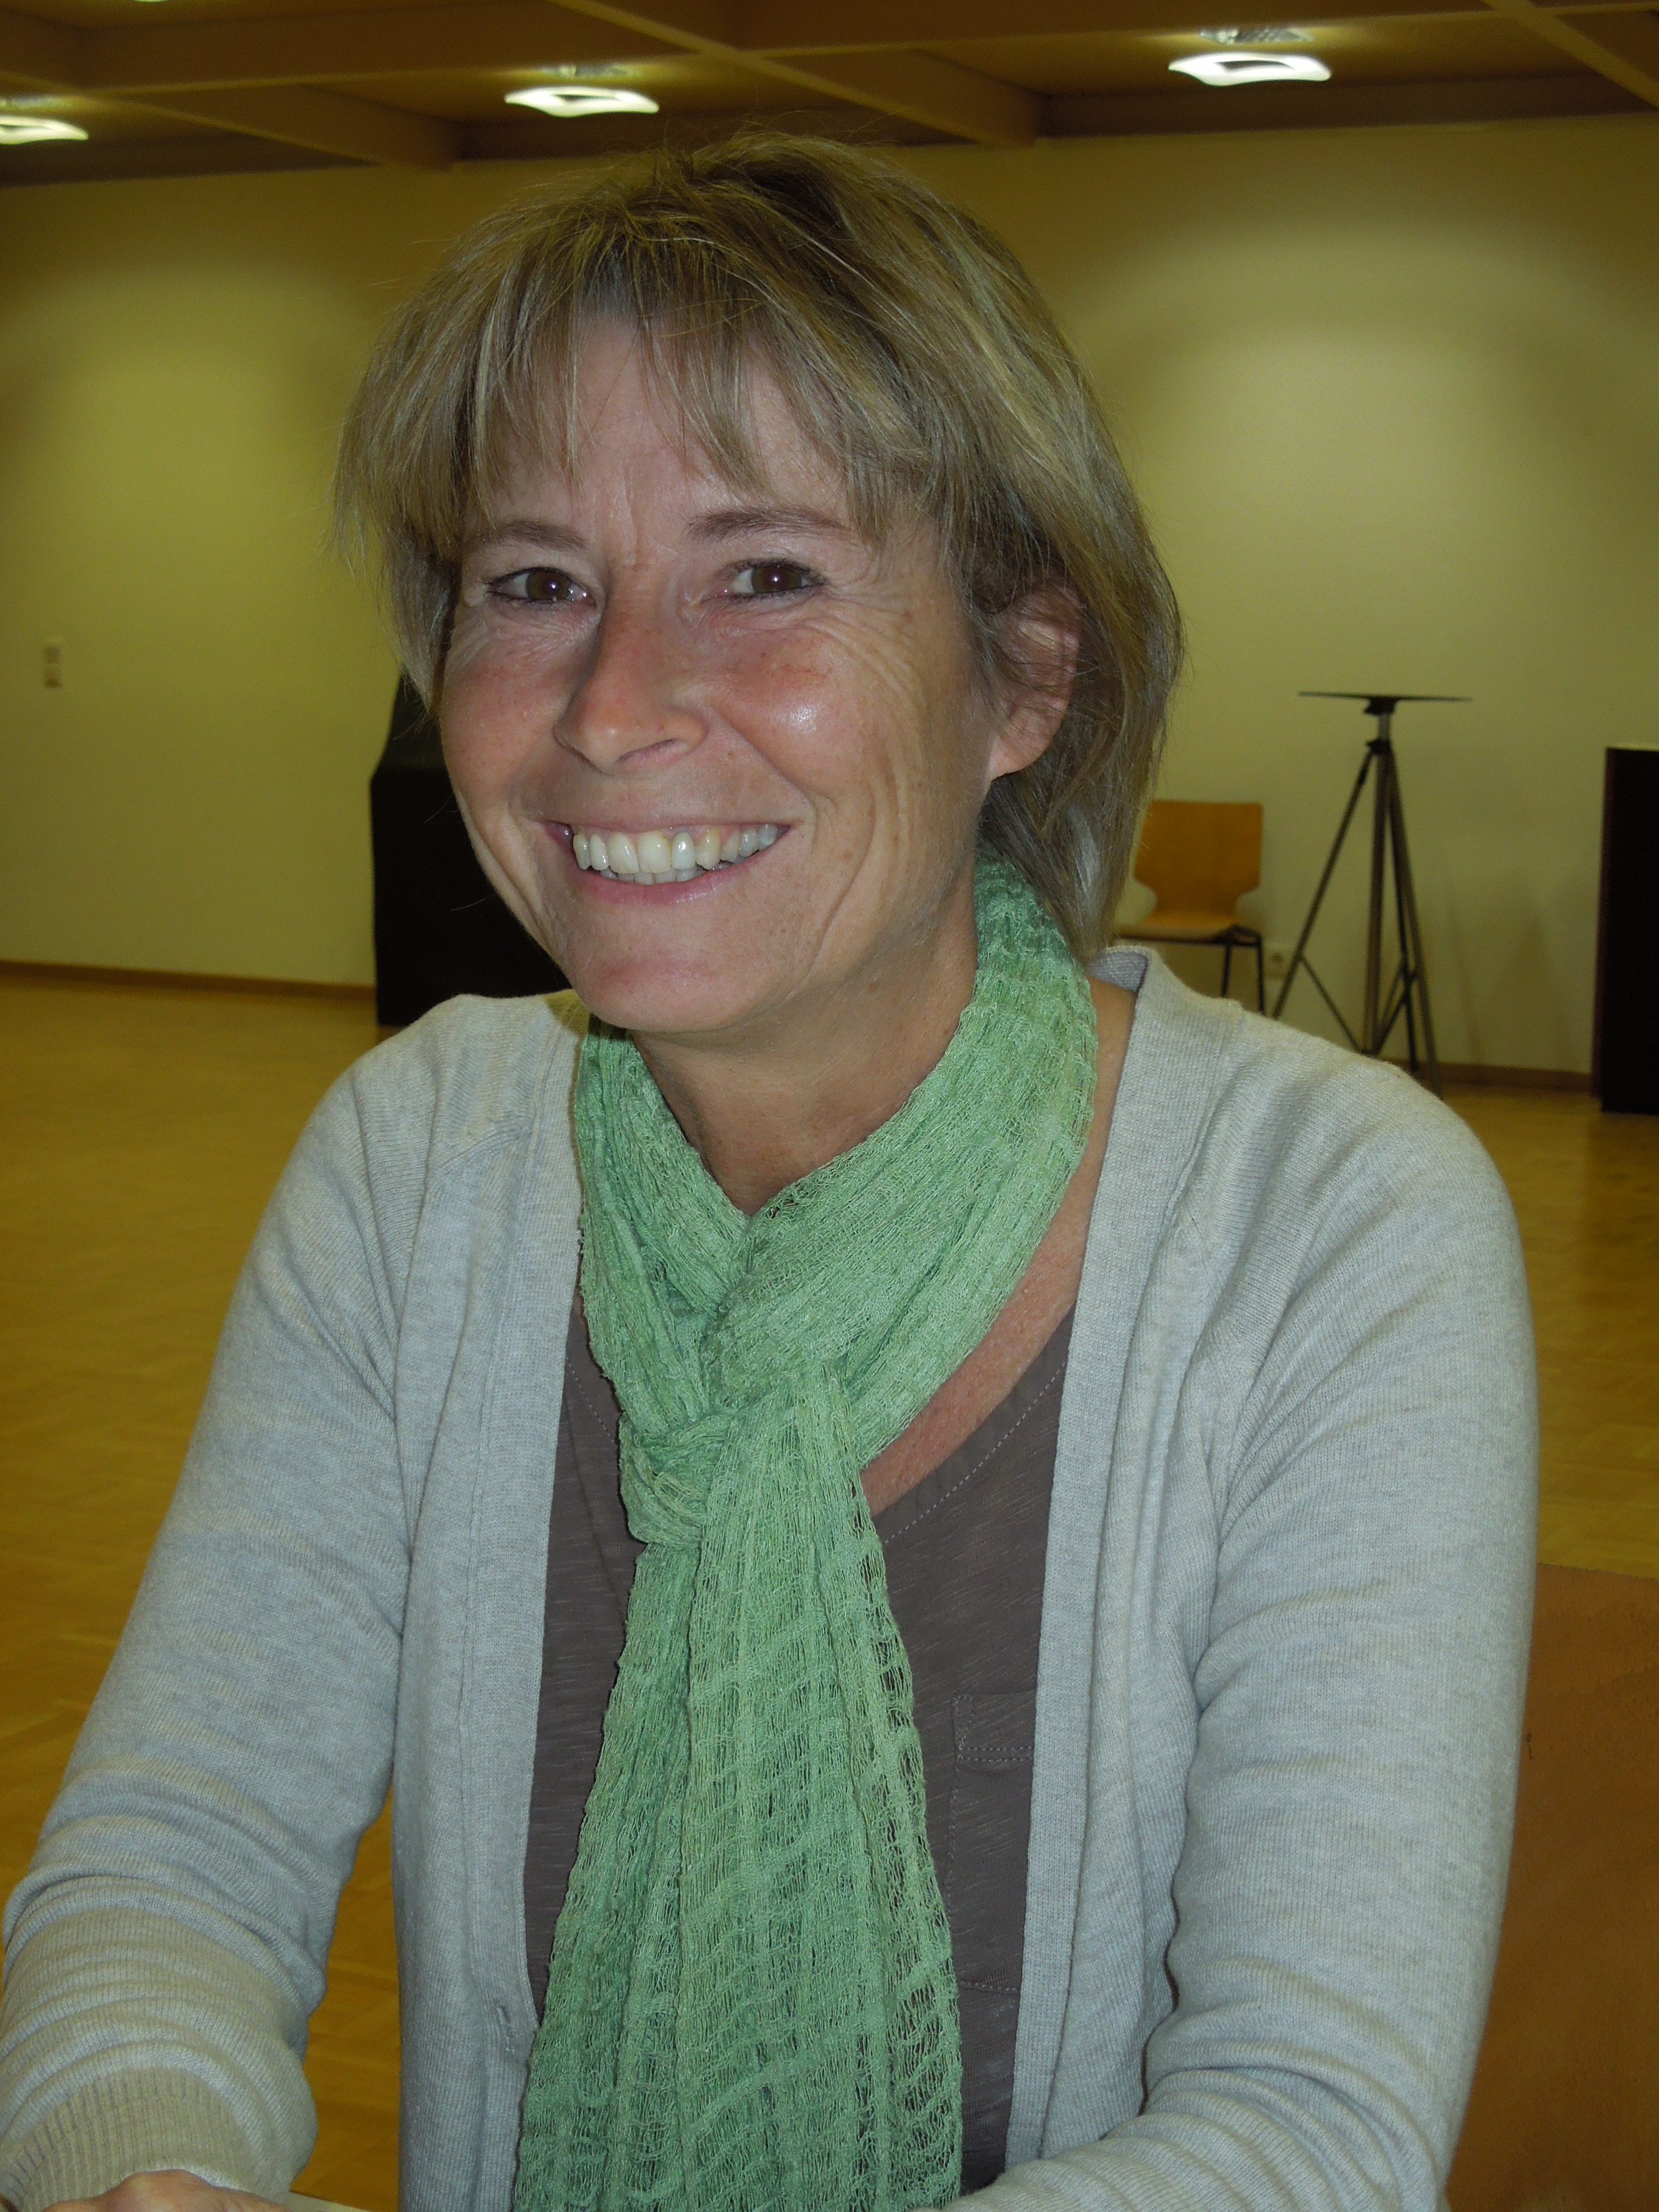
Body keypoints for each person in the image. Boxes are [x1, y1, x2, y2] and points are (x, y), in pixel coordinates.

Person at [0, 134, 1536, 2212]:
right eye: (536, 583)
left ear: (1024, 674)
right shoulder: (413, 1168)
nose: (615, 707)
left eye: (768, 575)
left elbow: (1308, 2128)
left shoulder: (1331, 1226)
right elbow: (170, 1868)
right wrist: (148, 2171)